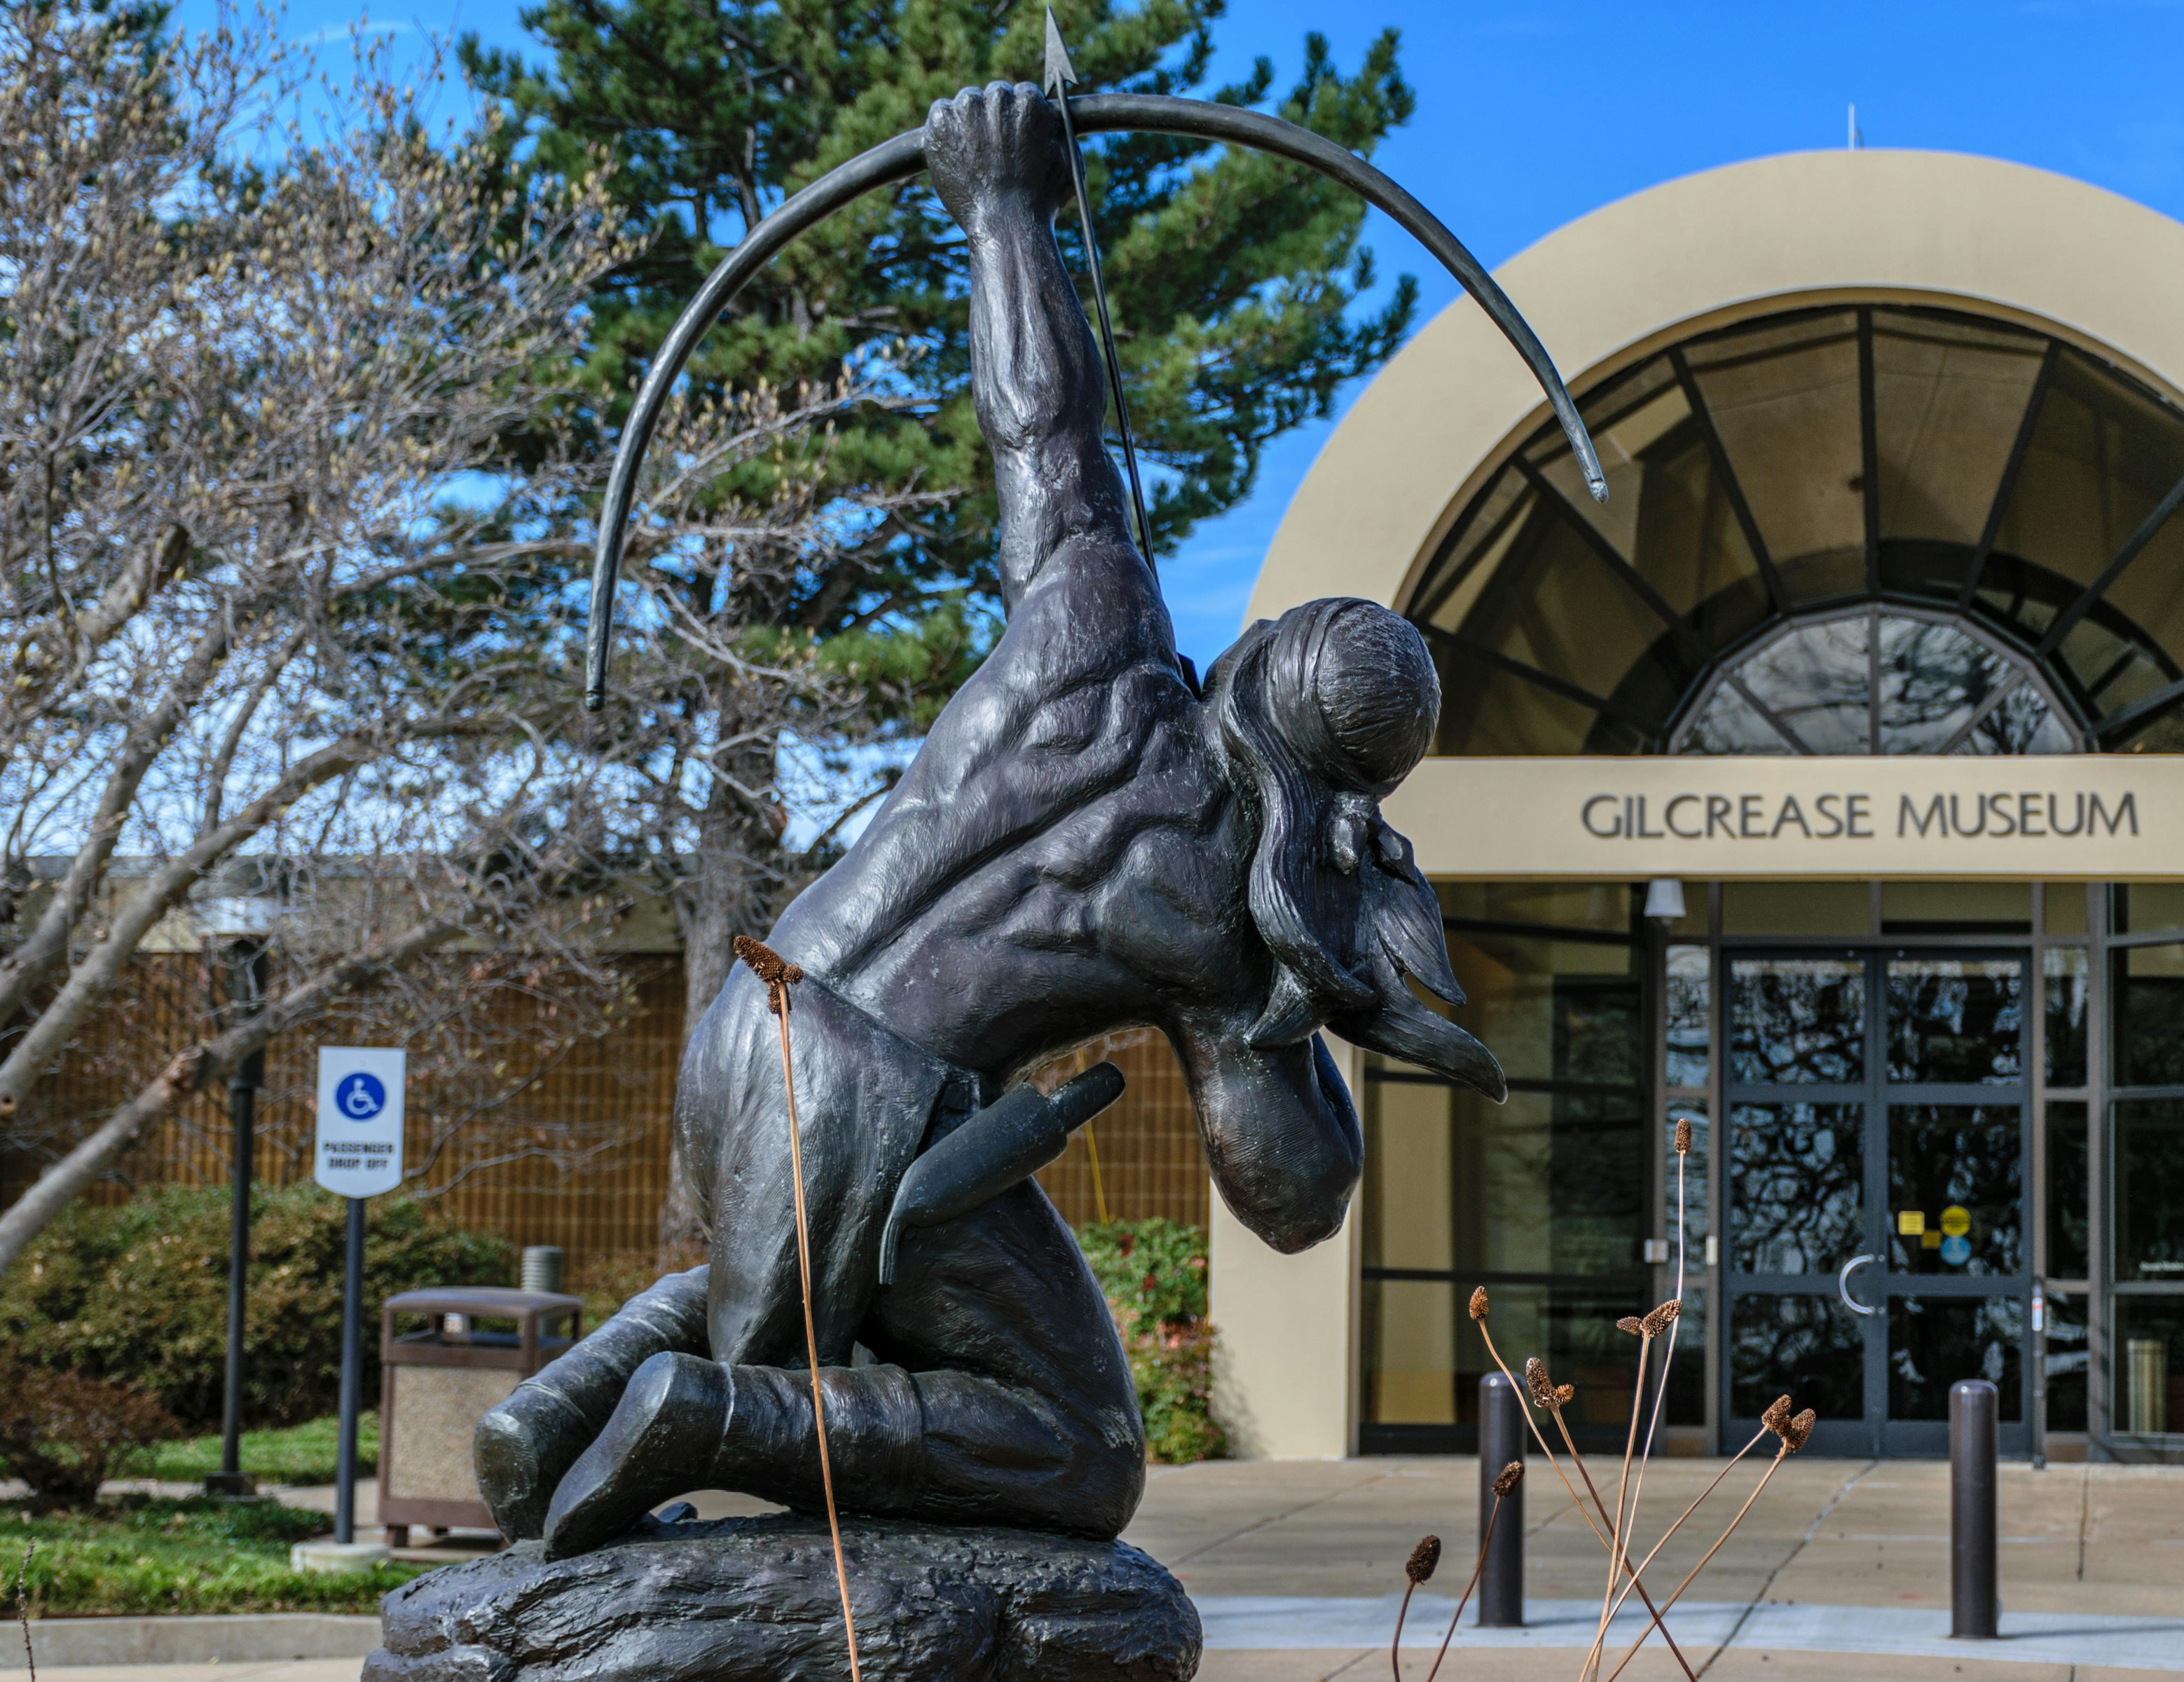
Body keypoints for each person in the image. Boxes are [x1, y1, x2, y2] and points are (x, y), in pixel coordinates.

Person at [476, 83, 1501, 1559]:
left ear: (1249, 655)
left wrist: (1002, 207)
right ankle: (704, 1417)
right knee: (1086, 1455)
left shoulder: (1092, 625)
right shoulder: (1230, 915)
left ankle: (562, 1407)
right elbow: (1292, 1204)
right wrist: (1299, 982)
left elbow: (1045, 424)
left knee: (814, 1251)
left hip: (751, 1024)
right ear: (1345, 793)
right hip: (882, 1111)